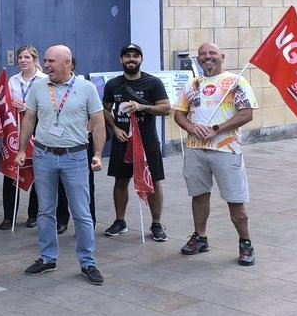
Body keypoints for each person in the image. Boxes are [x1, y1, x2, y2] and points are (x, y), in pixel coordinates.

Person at [16, 44, 107, 285]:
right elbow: (29, 118)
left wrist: (97, 154)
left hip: (76, 157)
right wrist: (21, 149)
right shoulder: (38, 86)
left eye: (51, 61)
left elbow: (98, 123)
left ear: (67, 63)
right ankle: (47, 258)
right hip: (43, 155)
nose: (46, 65)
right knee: (45, 211)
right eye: (45, 61)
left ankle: (87, 262)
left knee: (81, 212)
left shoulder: (87, 88)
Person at [173, 42, 257, 265]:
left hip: (226, 149)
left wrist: (216, 129)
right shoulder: (192, 84)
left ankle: (245, 243)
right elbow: (179, 115)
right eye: (202, 54)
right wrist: (191, 128)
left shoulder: (236, 81)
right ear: (198, 59)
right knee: (199, 195)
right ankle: (200, 238)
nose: (207, 57)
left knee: (235, 199)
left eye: (212, 53)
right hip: (195, 149)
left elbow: (246, 114)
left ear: (222, 56)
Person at [102, 43, 170, 241]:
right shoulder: (113, 84)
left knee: (153, 181)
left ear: (141, 60)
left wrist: (142, 106)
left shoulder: (153, 83)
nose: (131, 59)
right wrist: (114, 129)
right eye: (127, 56)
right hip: (122, 141)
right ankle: (120, 221)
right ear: (121, 60)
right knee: (121, 180)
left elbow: (166, 108)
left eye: (135, 56)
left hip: (147, 141)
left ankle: (156, 224)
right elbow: (105, 109)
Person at [0, 45, 44, 230]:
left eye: (27, 57)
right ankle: (9, 216)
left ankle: (33, 215)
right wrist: (12, 105)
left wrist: (29, 107)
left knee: (37, 172)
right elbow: (5, 104)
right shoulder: (13, 80)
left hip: (39, 128)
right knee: (12, 172)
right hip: (17, 131)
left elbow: (50, 104)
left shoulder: (45, 80)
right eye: (20, 57)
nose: (23, 60)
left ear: (35, 60)